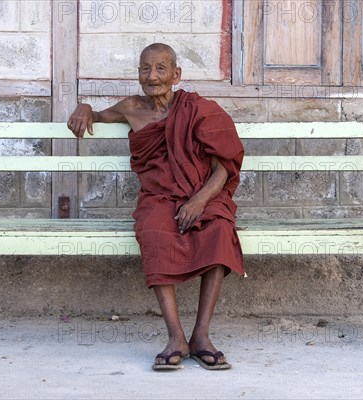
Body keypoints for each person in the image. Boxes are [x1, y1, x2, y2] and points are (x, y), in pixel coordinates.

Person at [68, 43, 244, 371]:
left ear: (176, 74)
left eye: (161, 68)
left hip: (202, 193)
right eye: (145, 69)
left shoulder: (199, 109)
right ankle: (176, 336)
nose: (153, 76)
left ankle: (202, 336)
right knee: (153, 232)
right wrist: (84, 105)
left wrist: (199, 201)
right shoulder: (131, 107)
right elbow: (97, 116)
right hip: (159, 197)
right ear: (138, 74)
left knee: (220, 228)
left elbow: (224, 166)